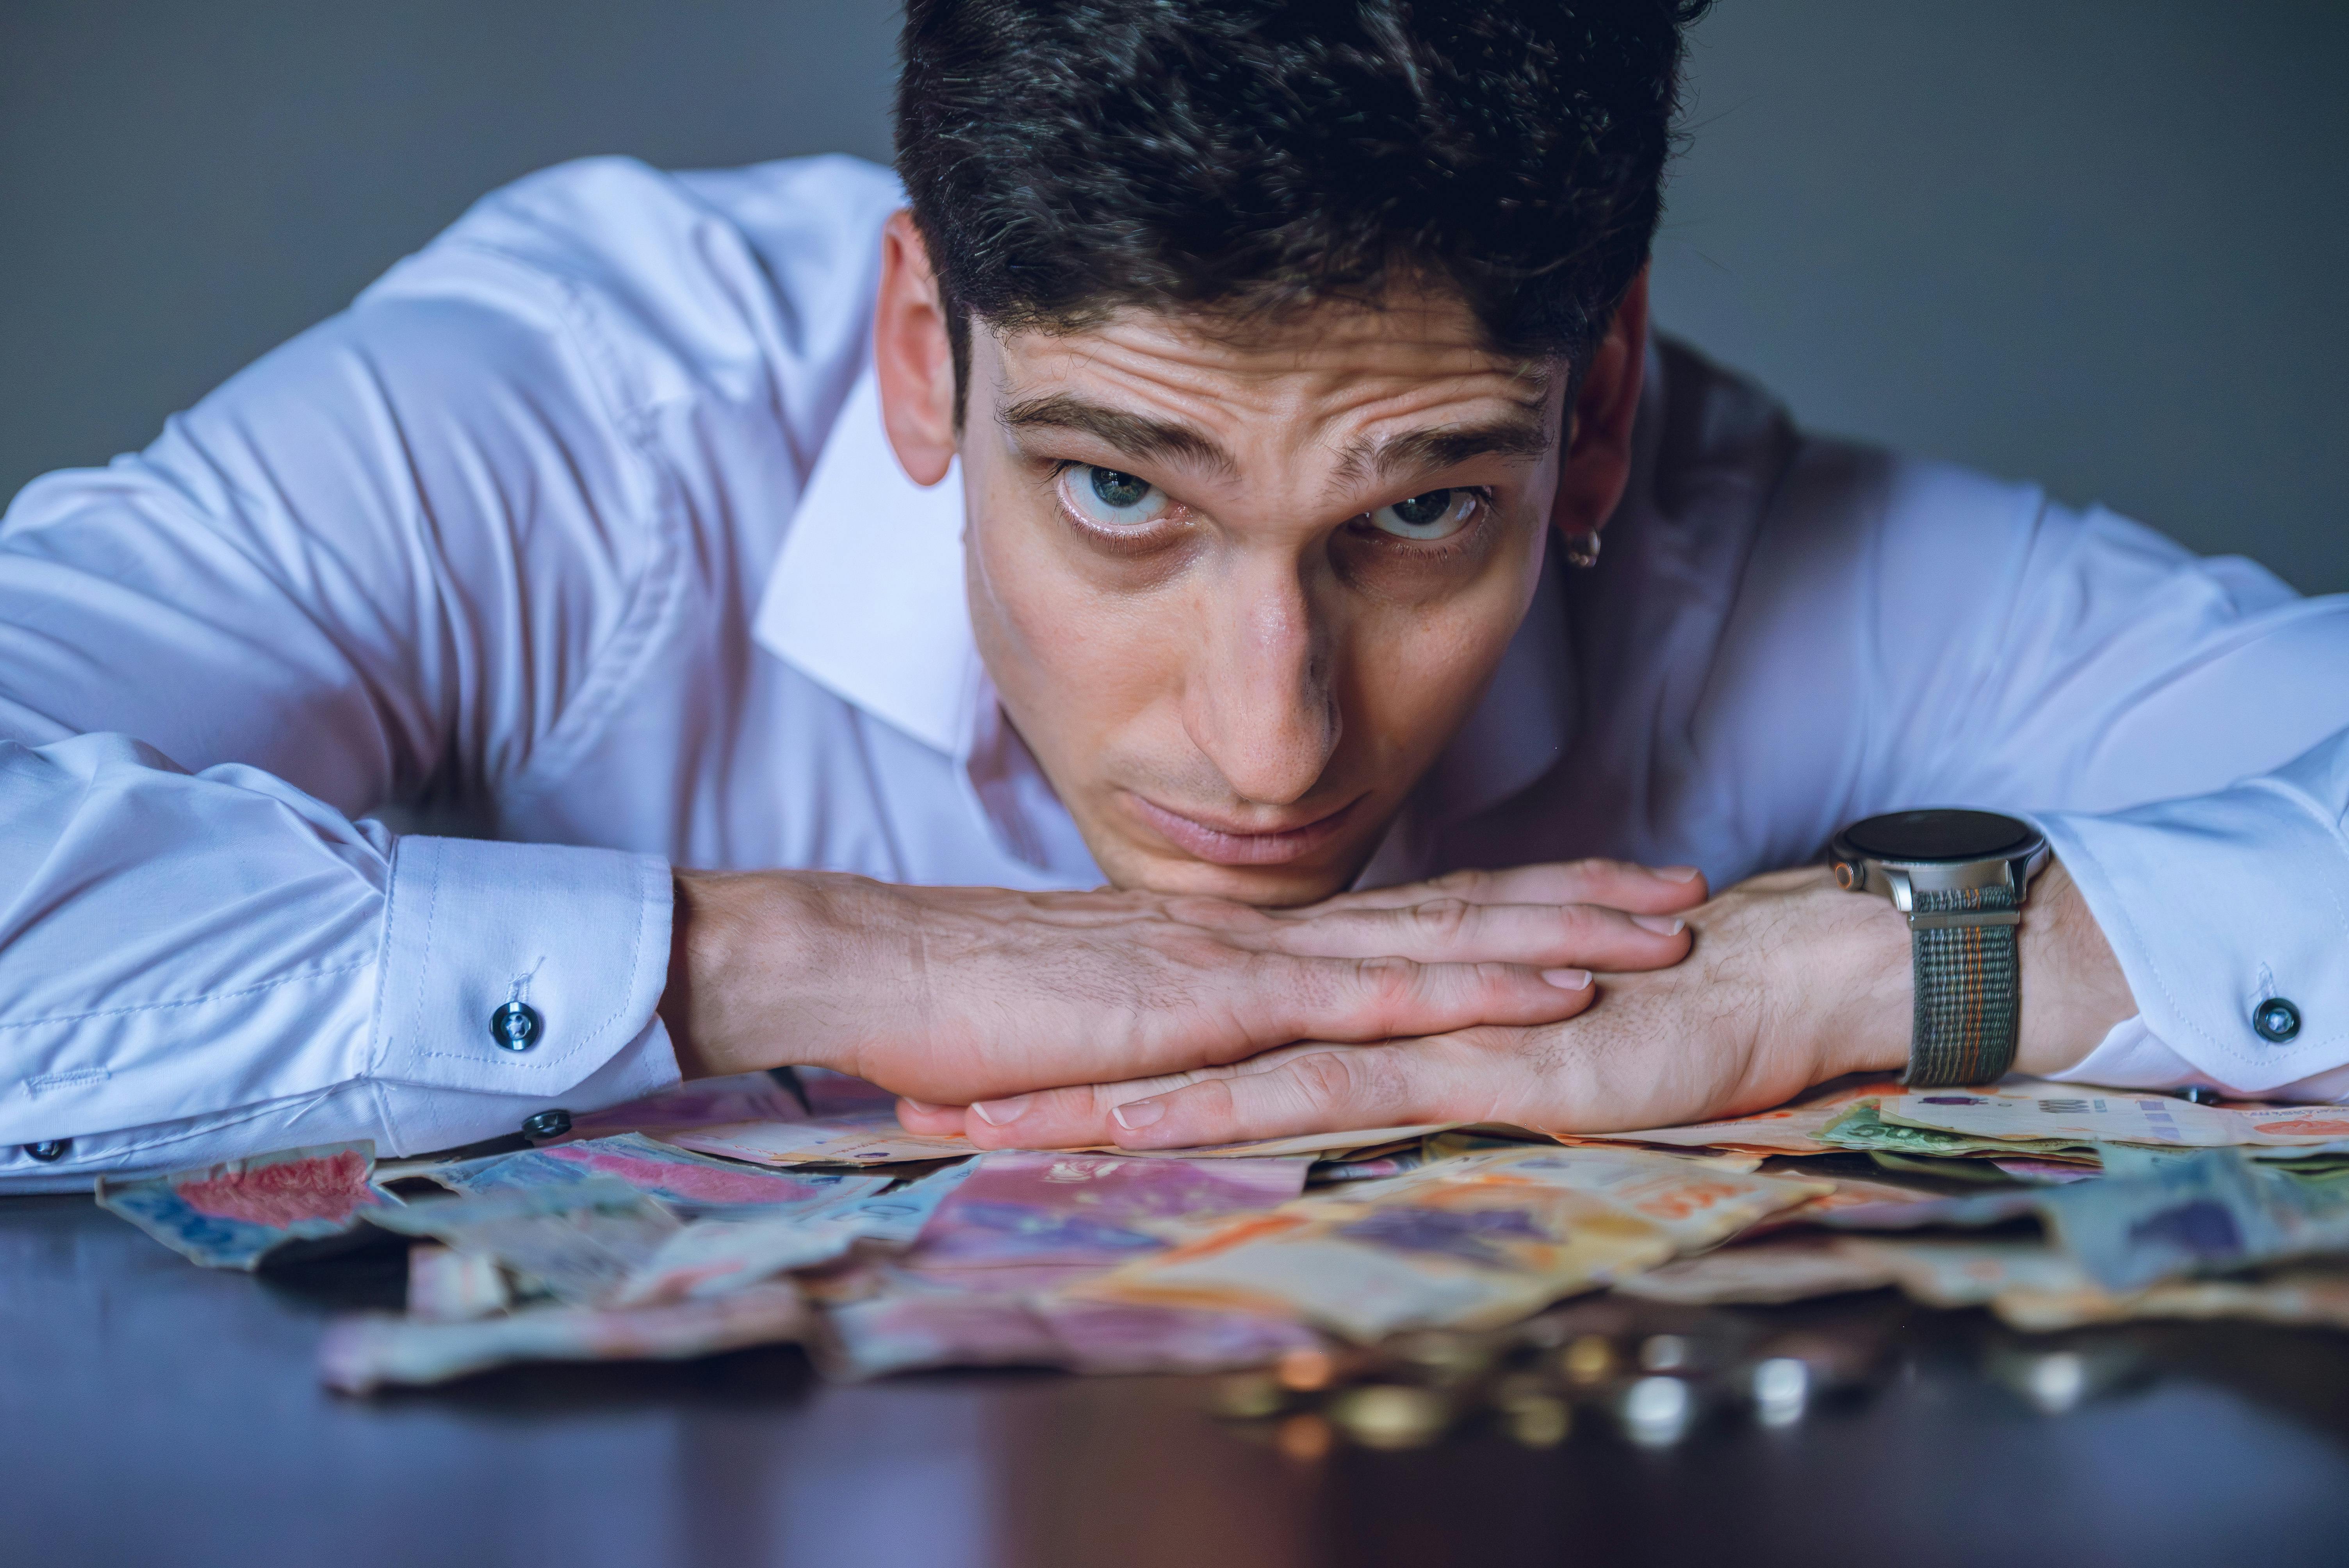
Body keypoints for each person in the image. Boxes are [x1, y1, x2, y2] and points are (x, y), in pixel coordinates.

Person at [2, 0, 2344, 1193]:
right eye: (1121, 490)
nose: (1271, 739)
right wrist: (785, 957)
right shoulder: (568, 430)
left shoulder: (1741, 544)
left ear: (1599, 401)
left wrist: (1868, 960)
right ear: (922, 345)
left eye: (1421, 514)